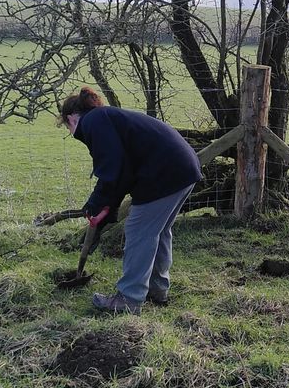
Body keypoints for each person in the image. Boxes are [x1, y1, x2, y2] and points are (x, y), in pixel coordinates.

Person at [58, 87, 202, 314]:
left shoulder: (93, 121)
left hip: (165, 173)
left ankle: (129, 298)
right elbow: (121, 171)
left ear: (70, 119)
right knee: (158, 230)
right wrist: (107, 208)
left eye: (67, 127)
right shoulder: (106, 117)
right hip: (182, 168)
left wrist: (97, 203)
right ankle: (157, 289)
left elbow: (111, 169)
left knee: (139, 230)